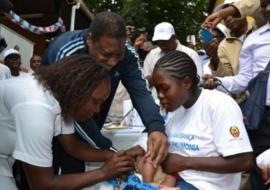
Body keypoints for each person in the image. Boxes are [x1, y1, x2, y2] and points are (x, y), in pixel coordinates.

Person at [42, 11, 167, 174]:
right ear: (90, 41)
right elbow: (73, 110)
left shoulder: (127, 54)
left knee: (75, 172)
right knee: (44, 174)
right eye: (106, 55)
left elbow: (141, 92)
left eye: (118, 55)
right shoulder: (67, 53)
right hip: (49, 122)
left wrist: (156, 127)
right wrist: (108, 150)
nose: (113, 62)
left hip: (86, 124)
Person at [0, 54, 139, 190]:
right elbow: (43, 185)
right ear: (77, 91)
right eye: (95, 102)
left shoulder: (60, 98)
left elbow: (73, 146)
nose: (97, 110)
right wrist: (104, 172)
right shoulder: (37, 108)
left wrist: (112, 156)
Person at [151, 50, 254, 190]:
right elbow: (173, 165)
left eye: (164, 88)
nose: (160, 95)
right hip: (180, 183)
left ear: (186, 82)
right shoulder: (176, 109)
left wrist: (184, 162)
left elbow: (244, 161)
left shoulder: (219, 104)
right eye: (157, 89)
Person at [143, 22, 202, 100]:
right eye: (159, 42)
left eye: (165, 42)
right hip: (157, 105)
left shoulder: (190, 54)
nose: (162, 46)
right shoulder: (151, 55)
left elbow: (198, 82)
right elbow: (144, 84)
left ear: (174, 37)